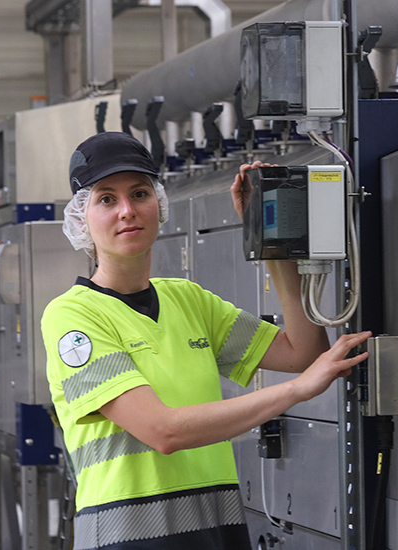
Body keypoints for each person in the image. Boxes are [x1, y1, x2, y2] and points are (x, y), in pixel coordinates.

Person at [40, 131, 370, 550]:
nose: (127, 211)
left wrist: (270, 242)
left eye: (140, 193)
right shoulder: (73, 315)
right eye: (107, 199)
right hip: (128, 540)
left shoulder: (186, 299)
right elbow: (163, 431)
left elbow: (303, 353)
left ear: (159, 206)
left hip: (217, 529)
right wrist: (297, 392)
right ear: (81, 218)